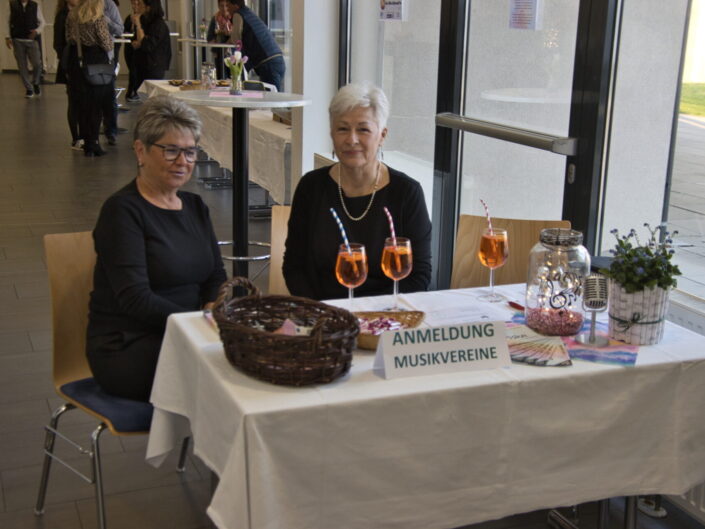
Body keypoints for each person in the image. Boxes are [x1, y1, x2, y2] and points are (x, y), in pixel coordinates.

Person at [87, 95, 227, 402]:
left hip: (188, 332)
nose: (183, 161)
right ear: (141, 150)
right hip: (130, 345)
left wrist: (210, 310)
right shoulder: (122, 212)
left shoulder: (195, 206)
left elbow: (216, 275)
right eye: (171, 150)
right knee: (229, 375)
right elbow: (136, 299)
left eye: (190, 152)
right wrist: (197, 324)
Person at [283, 82, 432, 300]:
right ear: (332, 133)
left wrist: (370, 312)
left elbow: (419, 275)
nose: (351, 139)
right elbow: (294, 266)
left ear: (382, 135)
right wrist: (322, 310)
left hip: (386, 312)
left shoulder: (406, 193)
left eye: (363, 129)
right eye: (342, 129)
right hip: (324, 311)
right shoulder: (311, 187)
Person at [66, 0, 114, 157]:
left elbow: (68, 38)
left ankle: (86, 143)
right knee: (96, 106)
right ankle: (94, 143)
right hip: (95, 63)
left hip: (77, 62)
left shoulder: (72, 16)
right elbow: (106, 43)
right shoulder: (97, 18)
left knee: (82, 106)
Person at [224, 0, 284, 91]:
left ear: (235, 6)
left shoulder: (238, 14)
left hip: (268, 63)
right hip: (277, 59)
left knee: (271, 98)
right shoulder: (249, 14)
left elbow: (236, 39)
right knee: (275, 96)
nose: (227, 9)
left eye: (228, 5)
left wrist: (227, 43)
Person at [123, 0, 171, 101]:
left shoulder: (158, 24)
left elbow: (147, 44)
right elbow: (138, 39)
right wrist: (138, 42)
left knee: (152, 98)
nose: (137, 6)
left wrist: (138, 25)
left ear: (148, 7)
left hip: (153, 65)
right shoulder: (145, 20)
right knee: (143, 96)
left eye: (140, 4)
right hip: (142, 63)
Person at [53, 0, 82, 149]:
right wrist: (67, 62)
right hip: (70, 64)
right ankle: (76, 138)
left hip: (85, 64)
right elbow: (58, 43)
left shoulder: (84, 12)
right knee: (74, 101)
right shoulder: (62, 15)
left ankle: (85, 135)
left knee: (85, 102)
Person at [5, 0, 45, 98]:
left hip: (31, 40)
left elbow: (42, 22)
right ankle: (29, 89)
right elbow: (7, 22)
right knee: (22, 66)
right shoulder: (12, 5)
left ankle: (36, 82)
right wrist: (7, 37)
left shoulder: (35, 5)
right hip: (17, 40)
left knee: (37, 64)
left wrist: (37, 31)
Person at [206, 0, 232, 79]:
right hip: (219, 53)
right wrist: (220, 34)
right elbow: (209, 37)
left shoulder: (234, 17)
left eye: (226, 5)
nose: (224, 8)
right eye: (221, 6)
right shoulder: (215, 18)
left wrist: (229, 34)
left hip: (233, 53)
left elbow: (238, 35)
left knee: (233, 76)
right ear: (218, 6)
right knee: (221, 77)